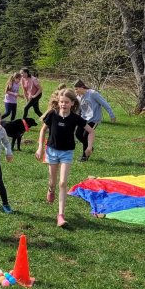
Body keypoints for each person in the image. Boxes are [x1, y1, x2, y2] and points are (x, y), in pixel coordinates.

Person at [35, 89, 95, 227]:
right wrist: (40, 148)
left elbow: (91, 131)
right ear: (58, 102)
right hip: (52, 151)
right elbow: (43, 130)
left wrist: (89, 147)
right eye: (61, 102)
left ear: (72, 103)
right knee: (52, 182)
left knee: (63, 183)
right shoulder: (52, 115)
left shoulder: (75, 118)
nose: (63, 104)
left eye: (66, 102)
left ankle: (60, 215)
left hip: (67, 153)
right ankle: (51, 190)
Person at [73, 80, 116, 161]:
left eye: (76, 89)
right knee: (78, 134)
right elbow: (78, 109)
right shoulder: (78, 96)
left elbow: (104, 103)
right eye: (75, 89)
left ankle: (85, 156)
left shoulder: (93, 94)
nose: (75, 91)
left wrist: (112, 114)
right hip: (83, 118)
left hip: (94, 119)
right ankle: (90, 147)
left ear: (82, 87)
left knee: (86, 136)